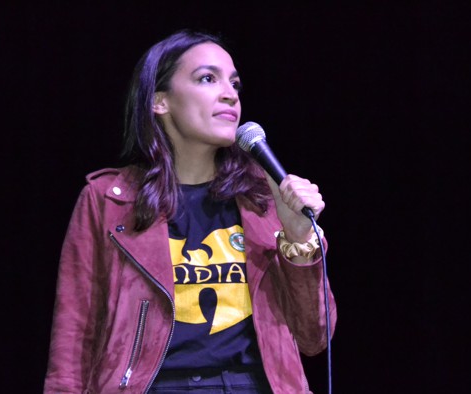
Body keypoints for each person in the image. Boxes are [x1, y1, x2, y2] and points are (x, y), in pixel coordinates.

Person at [44, 29, 336, 393]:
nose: (229, 94)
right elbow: (73, 337)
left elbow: (314, 336)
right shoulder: (107, 200)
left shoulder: (265, 196)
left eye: (235, 83)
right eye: (207, 79)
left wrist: (299, 239)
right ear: (159, 102)